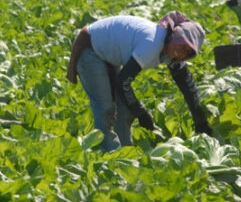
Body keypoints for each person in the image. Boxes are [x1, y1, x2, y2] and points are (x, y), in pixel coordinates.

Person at [66, 11, 211, 152]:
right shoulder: (152, 44)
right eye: (182, 45)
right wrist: (142, 114)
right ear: (176, 37)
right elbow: (123, 82)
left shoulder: (172, 51)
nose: (181, 53)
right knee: (105, 108)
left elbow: (187, 86)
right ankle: (108, 154)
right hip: (90, 49)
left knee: (123, 109)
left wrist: (201, 122)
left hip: (108, 53)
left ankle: (124, 152)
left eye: (187, 51)